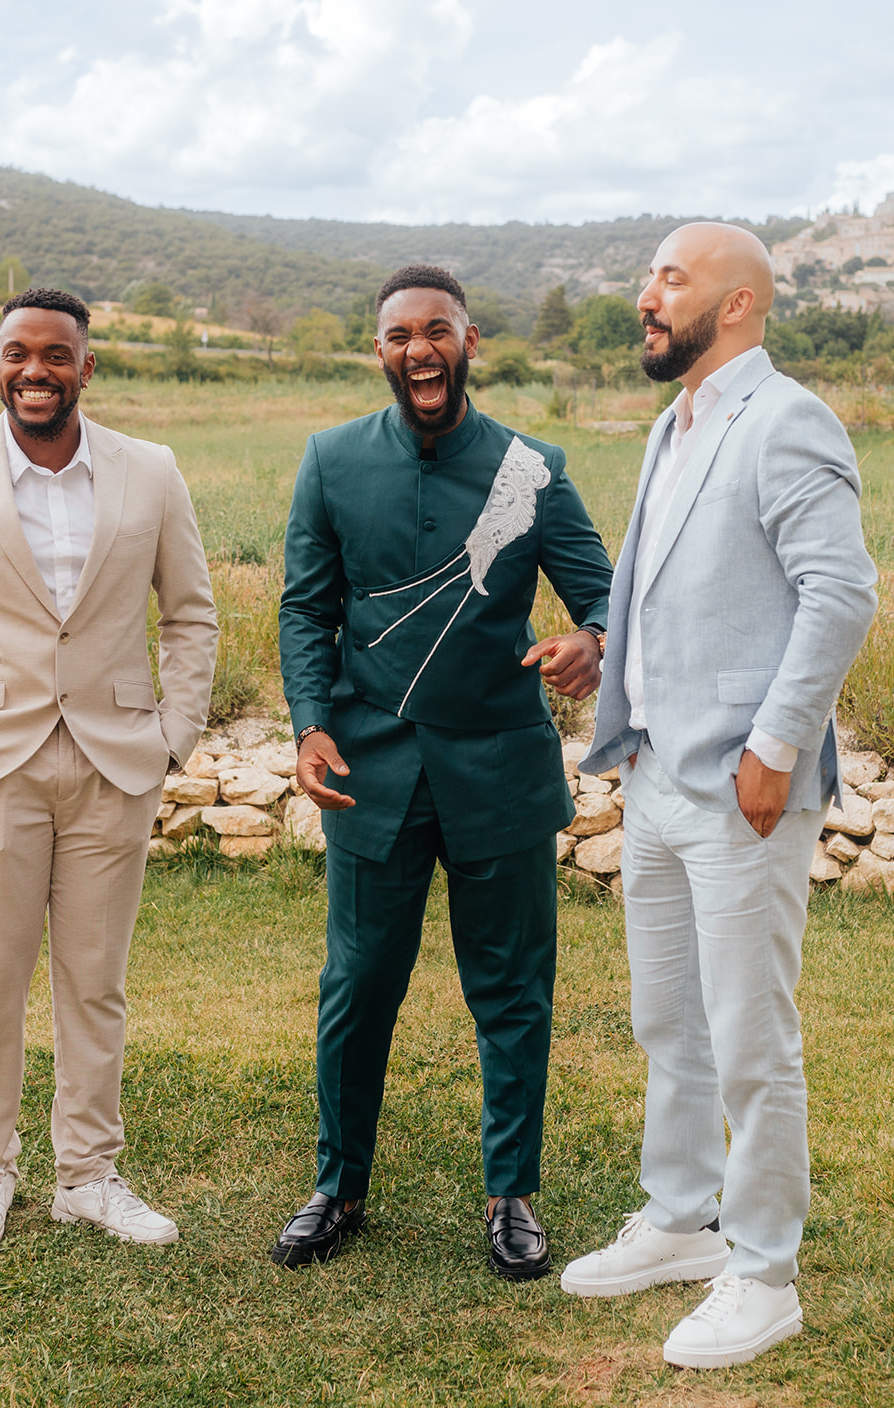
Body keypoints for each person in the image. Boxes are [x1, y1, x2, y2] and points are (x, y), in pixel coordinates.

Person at [561, 224, 876, 1368]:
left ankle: (760, 1271)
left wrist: (775, 742)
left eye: (670, 279)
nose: (646, 295)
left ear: (736, 304)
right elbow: (663, 581)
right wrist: (605, 646)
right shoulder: (671, 419)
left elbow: (838, 590)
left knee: (751, 1036)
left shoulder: (784, 417)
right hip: (655, 774)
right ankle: (680, 1220)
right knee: (669, 1021)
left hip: (744, 787)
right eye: (647, 274)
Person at [0, 287, 218, 1254]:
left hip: (115, 761)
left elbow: (189, 614)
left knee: (95, 982)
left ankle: (88, 1176)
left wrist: (173, 738)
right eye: (18, 353)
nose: (36, 370)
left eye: (56, 354)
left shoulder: (151, 473)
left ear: (86, 367)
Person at [274, 264, 613, 1277]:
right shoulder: (329, 461)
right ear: (378, 353)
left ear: (469, 342)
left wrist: (588, 638)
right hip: (368, 770)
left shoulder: (531, 466)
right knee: (355, 984)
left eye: (434, 331)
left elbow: (602, 593)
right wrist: (308, 725)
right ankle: (338, 1185)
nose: (416, 348)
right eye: (396, 335)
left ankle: (510, 1192)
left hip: (501, 769)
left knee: (510, 989)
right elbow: (305, 609)